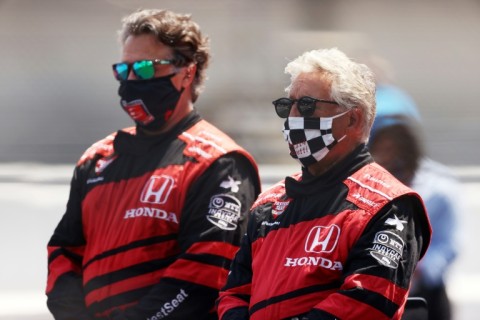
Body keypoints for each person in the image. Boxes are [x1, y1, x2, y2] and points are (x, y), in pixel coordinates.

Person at [46, 9, 261, 320]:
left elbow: (206, 273)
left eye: (145, 69)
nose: (131, 80)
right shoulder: (96, 159)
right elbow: (63, 253)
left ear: (187, 72)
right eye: (124, 70)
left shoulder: (221, 162)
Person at [216, 48, 431, 320]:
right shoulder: (268, 205)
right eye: (287, 106)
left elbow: (367, 302)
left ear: (353, 119)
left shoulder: (389, 204)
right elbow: (234, 293)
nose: (293, 116)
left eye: (306, 106)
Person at [369, 86, 460, 320]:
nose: (390, 151)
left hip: (424, 295)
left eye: (398, 141)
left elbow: (448, 246)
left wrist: (418, 270)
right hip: (375, 292)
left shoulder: (439, 186)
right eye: (383, 142)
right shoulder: (364, 185)